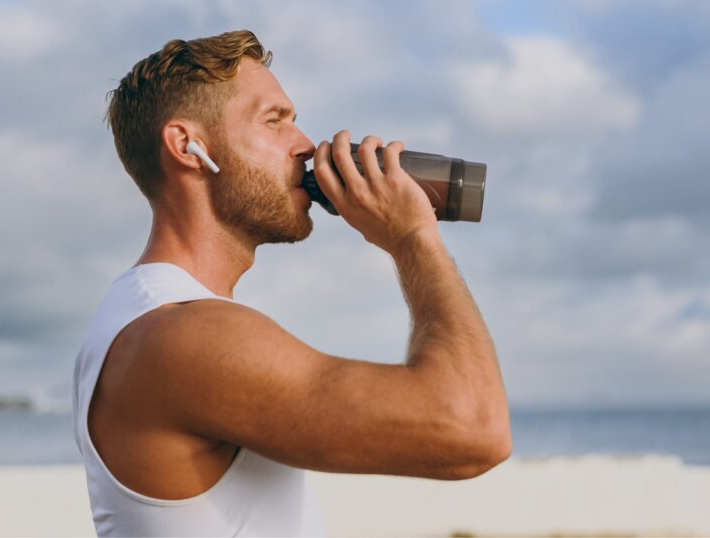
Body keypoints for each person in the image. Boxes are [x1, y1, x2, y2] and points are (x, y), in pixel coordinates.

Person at [71, 29, 511, 537]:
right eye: (274, 121)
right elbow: (474, 428)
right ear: (188, 147)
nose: (304, 145)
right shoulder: (182, 336)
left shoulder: (147, 315)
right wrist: (413, 238)